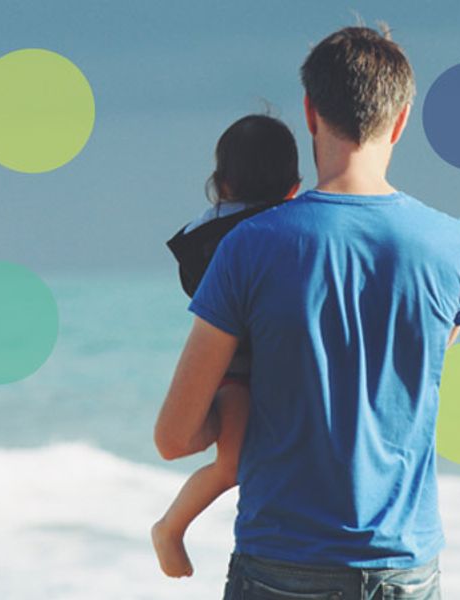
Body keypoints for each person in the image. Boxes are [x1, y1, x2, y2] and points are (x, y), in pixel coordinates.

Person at [154, 25, 460, 600]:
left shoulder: (249, 246)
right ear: (401, 120)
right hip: (405, 566)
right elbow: (410, 370)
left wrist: (234, 414)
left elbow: (174, 438)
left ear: (310, 113)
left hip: (281, 564)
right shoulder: (458, 246)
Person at [152, 114, 301, 578]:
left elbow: (191, 286)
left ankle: (171, 528)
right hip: (235, 370)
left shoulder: (207, 230)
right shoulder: (286, 229)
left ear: (220, 183)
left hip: (235, 370)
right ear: (294, 187)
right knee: (232, 463)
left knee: (233, 463)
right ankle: (170, 528)